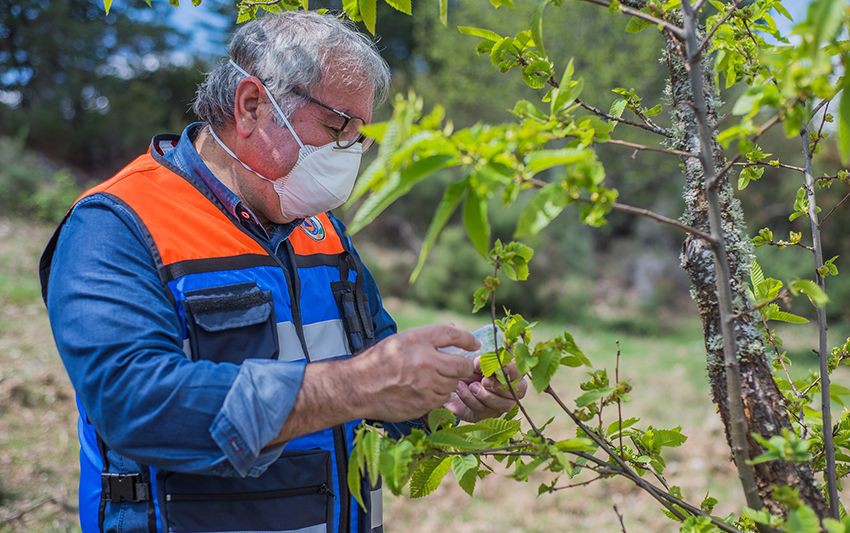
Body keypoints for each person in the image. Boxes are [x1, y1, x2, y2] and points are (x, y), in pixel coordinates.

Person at [39, 10, 527, 533]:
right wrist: (362, 383)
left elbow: (375, 389)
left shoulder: (323, 232)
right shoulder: (117, 225)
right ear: (251, 105)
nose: (347, 154)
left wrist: (444, 396)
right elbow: (135, 401)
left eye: (357, 136)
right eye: (337, 127)